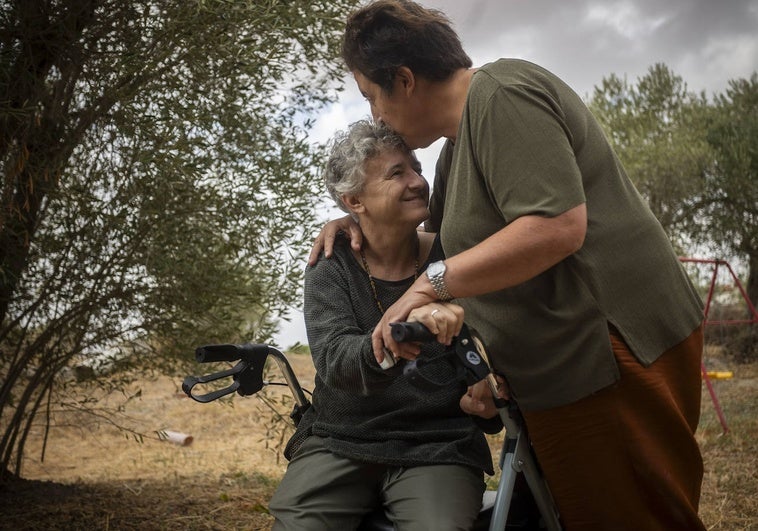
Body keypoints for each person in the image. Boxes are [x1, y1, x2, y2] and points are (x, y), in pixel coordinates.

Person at [309, 1, 707, 530]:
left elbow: (554, 225)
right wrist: (354, 225)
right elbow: (446, 243)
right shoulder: (455, 151)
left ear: (404, 80)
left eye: (371, 96)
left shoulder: (504, 95)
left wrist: (430, 286)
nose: (377, 116)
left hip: (609, 350)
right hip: (561, 365)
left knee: (640, 515)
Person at [268, 119, 496, 531]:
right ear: (355, 200)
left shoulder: (455, 259)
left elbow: (488, 347)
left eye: (416, 169)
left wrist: (485, 383)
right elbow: (336, 362)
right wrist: (396, 335)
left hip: (438, 444)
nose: (417, 182)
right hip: (340, 439)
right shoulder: (331, 263)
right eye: (397, 174)